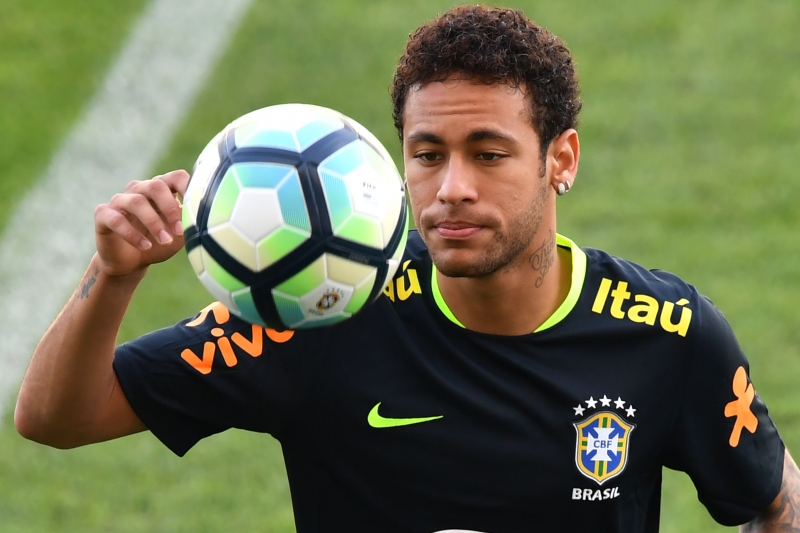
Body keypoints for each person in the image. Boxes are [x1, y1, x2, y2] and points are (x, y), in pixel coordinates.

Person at [14, 5, 800, 532]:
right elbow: (55, 417)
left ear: (561, 159)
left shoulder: (667, 334)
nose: (452, 187)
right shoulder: (323, 308)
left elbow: (774, 500)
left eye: (488, 154)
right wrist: (113, 276)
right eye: (428, 155)